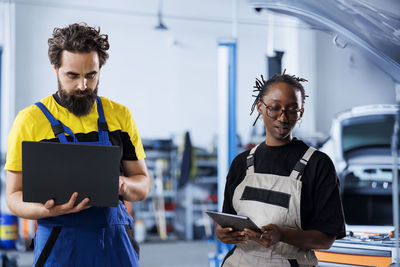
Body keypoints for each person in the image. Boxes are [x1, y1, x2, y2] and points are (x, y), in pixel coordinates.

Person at [5, 23, 150, 266]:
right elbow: (13, 197)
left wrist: (121, 184)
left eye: (91, 75)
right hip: (60, 245)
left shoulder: (120, 116)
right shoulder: (29, 121)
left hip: (115, 245)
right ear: (55, 69)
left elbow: (143, 185)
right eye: (72, 76)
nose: (83, 86)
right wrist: (49, 210)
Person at [216, 71, 346, 266]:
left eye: (293, 110)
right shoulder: (241, 163)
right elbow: (228, 220)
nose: (283, 117)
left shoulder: (317, 164)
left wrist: (282, 234)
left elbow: (326, 239)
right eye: (274, 108)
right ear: (260, 107)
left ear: (301, 112)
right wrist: (222, 233)